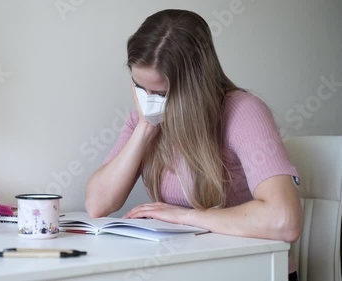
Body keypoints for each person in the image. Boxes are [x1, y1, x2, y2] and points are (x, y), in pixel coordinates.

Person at [85, 9, 303, 281]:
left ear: (193, 86)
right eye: (140, 88)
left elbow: (284, 220)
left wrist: (186, 217)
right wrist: (145, 128)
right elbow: (98, 204)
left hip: (252, 270)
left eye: (161, 93)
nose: (148, 102)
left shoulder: (243, 111)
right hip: (188, 267)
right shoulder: (145, 117)